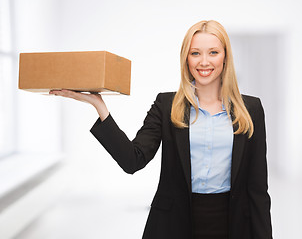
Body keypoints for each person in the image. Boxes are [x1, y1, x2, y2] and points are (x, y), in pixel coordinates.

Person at [50, 20, 273, 239]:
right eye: (195, 53)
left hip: (233, 224)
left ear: (225, 57)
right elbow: (132, 160)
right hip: (175, 223)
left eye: (213, 52)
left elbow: (258, 189)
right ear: (186, 59)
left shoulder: (251, 109)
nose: (204, 61)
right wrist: (99, 106)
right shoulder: (166, 106)